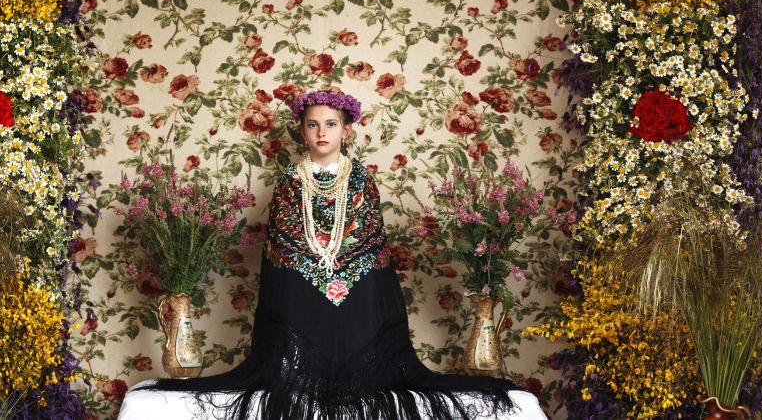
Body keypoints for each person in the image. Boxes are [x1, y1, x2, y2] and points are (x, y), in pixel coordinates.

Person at [139, 90, 521, 420]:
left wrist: (340, 272)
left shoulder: (361, 178)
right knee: (290, 281)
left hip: (353, 279)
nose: (322, 132)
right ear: (302, 130)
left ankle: (356, 374)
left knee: (368, 279)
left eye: (331, 124)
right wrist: (318, 270)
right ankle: (304, 372)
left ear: (346, 129)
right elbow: (283, 239)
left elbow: (370, 238)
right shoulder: (290, 180)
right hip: (304, 279)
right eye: (313, 125)